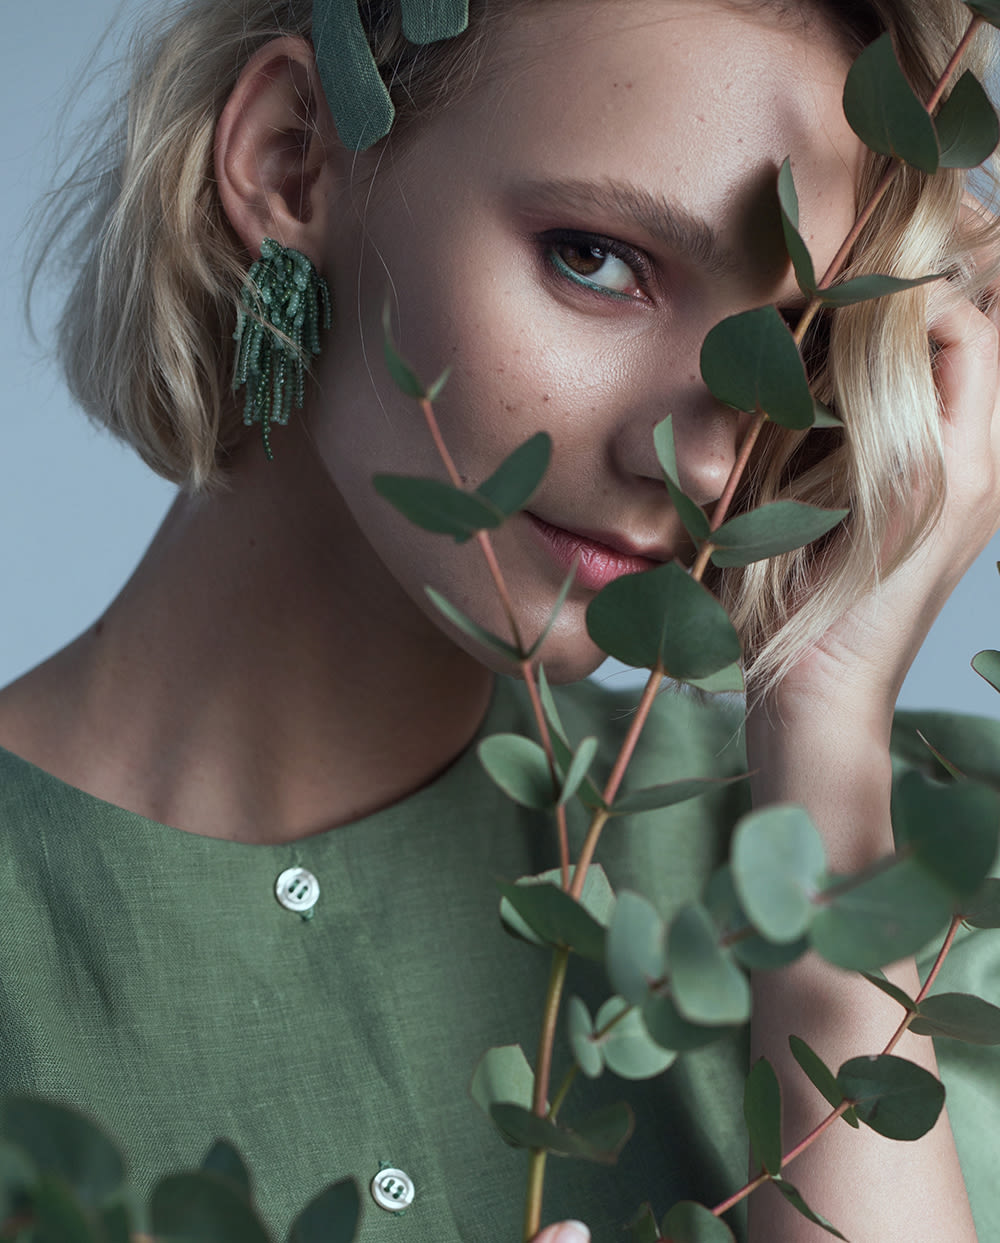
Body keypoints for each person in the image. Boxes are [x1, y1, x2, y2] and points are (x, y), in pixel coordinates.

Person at [1, 0, 999, 1240]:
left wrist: (826, 720)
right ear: (291, 159)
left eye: (798, 341)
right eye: (598, 258)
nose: (698, 458)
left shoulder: (933, 897)